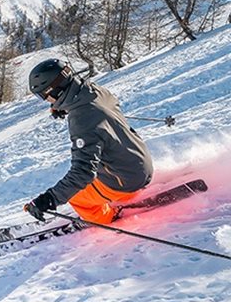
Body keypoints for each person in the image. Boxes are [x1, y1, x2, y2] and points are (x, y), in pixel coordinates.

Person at [24, 58, 153, 225]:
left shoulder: (81, 119)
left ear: (53, 90)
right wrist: (65, 106)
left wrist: (50, 199)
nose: (46, 100)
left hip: (127, 181)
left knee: (77, 198)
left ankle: (109, 217)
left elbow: (83, 172)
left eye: (43, 95)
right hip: (140, 162)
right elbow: (95, 115)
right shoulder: (95, 91)